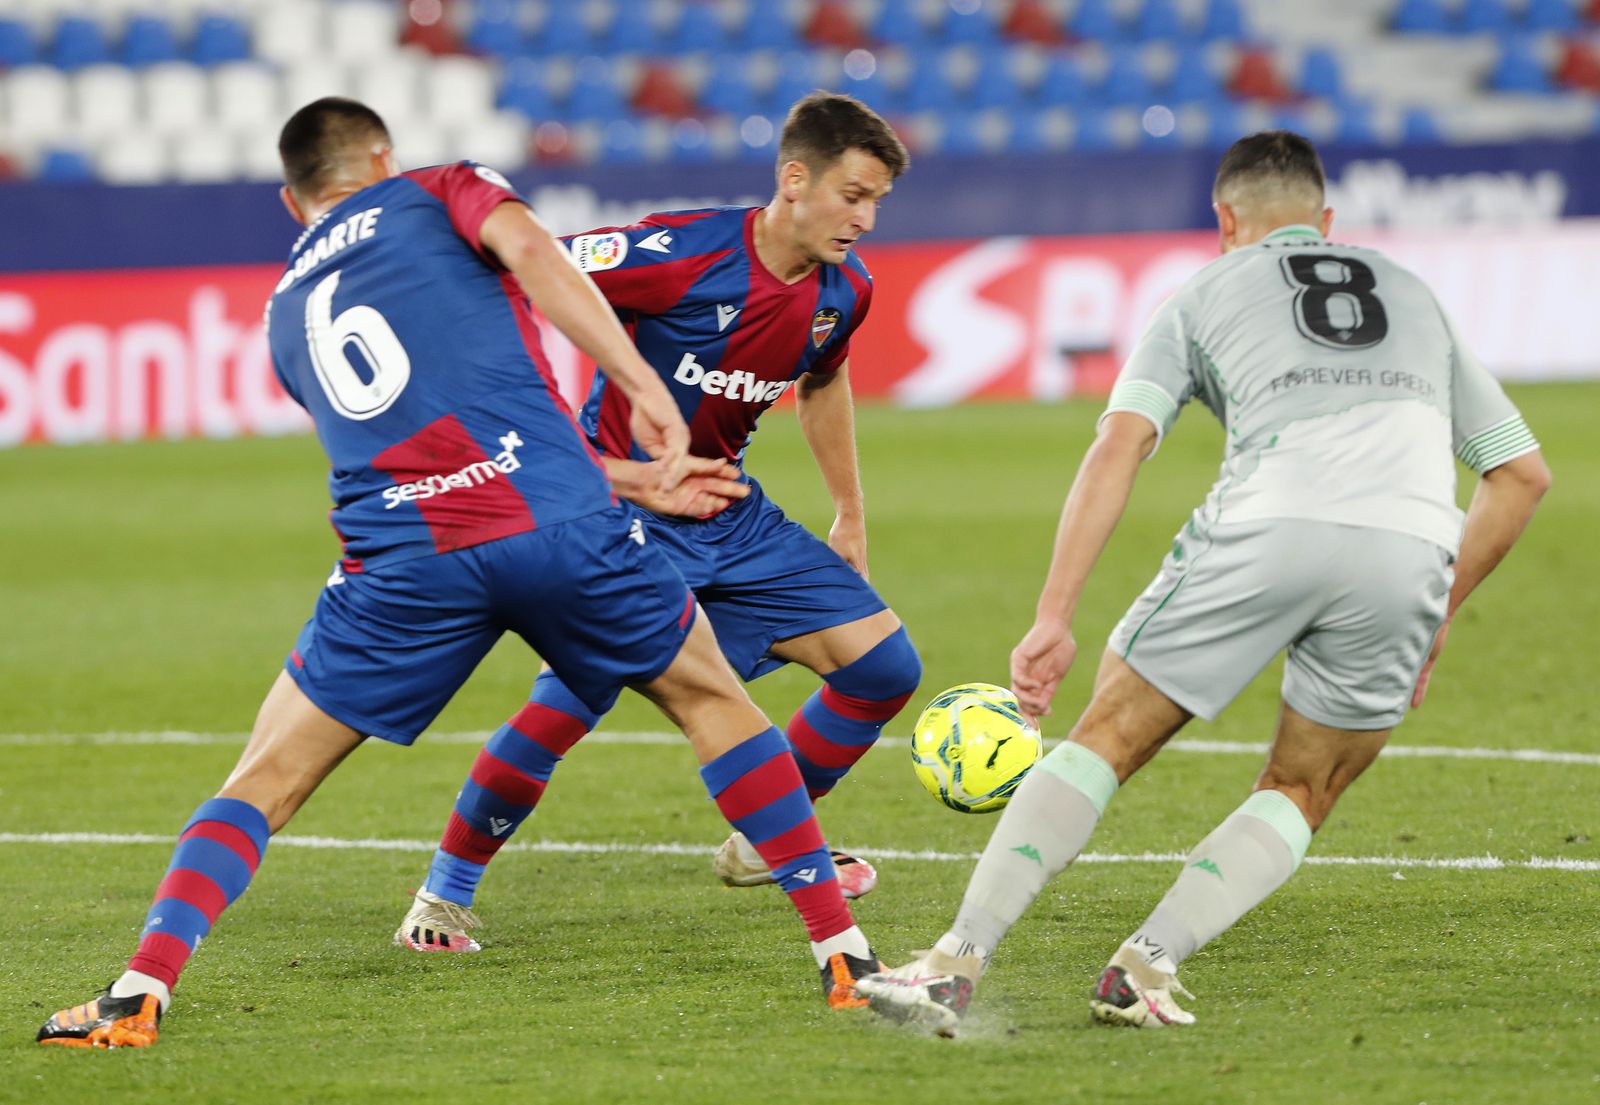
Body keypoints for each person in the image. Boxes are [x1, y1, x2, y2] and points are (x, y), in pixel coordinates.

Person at [36, 97, 881, 1049]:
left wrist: (629, 478)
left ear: (291, 201)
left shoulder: (284, 311)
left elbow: (423, 447)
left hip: (404, 556)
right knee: (713, 701)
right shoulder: (440, 192)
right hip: (557, 522)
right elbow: (539, 258)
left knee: (265, 777)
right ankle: (844, 957)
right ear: (383, 159)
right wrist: (643, 391)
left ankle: (138, 989)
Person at [856, 130, 1551, 1036]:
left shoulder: (1203, 290)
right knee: (1305, 785)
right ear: (1325, 221)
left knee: (1108, 735)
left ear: (1225, 219)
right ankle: (1146, 965)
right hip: (1410, 547)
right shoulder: (1413, 291)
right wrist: (1439, 608)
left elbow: (1121, 442)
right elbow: (1520, 474)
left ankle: (955, 962)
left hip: (1269, 519)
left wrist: (1054, 614)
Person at [392, 92, 922, 957]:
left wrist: (850, 514)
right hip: (622, 516)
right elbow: (527, 268)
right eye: (853, 195)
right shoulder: (679, 253)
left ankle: (763, 838)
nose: (865, 219)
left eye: (876, 202)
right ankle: (443, 893)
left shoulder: (844, 291)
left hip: (728, 511)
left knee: (884, 667)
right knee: (567, 704)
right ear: (795, 180)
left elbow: (823, 381)